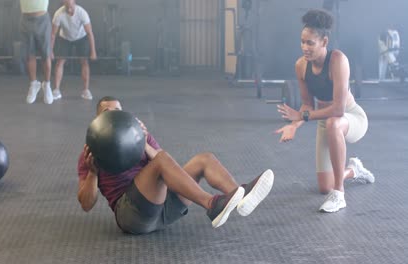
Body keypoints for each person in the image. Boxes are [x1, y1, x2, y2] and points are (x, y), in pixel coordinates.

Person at [77, 96, 274, 234]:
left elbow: (168, 168)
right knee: (161, 161)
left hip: (164, 208)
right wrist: (93, 173)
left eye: (117, 111)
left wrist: (143, 144)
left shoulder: (140, 136)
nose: (113, 115)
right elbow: (86, 205)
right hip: (133, 217)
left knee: (204, 159)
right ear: (98, 120)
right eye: (107, 112)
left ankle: (240, 195)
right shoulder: (91, 154)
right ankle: (211, 204)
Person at [275, 9, 374, 213]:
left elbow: (337, 109)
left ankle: (339, 194)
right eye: (302, 42)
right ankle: (354, 170)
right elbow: (307, 105)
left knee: (333, 122)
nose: (305, 47)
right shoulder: (301, 66)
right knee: (323, 187)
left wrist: (303, 117)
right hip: (326, 120)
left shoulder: (338, 60)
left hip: (350, 117)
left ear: (324, 42)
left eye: (310, 43)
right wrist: (294, 126)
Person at [51, 0, 97, 101]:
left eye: (71, 6)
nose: (69, 9)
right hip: (65, 38)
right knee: (60, 62)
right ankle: (56, 90)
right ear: (63, 4)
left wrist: (93, 51)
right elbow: (53, 34)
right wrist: (50, 51)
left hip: (81, 37)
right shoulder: (58, 14)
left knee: (84, 62)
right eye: (67, 6)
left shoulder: (82, 13)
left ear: (74, 2)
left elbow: (90, 33)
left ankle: (85, 90)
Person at [19, 0, 54, 105]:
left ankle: (47, 85)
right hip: (26, 20)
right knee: (30, 55)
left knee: (46, 55)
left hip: (42, 19)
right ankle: (34, 84)